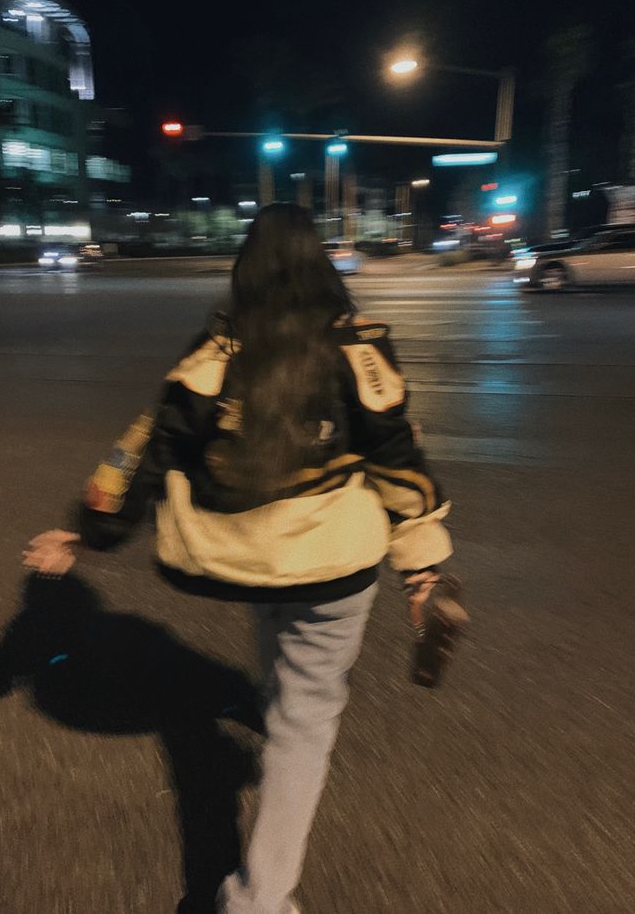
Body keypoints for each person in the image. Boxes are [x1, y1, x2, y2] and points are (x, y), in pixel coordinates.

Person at [23, 203, 453, 914]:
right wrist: (421, 565)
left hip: (243, 560)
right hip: (334, 563)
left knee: (275, 638)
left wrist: (86, 534)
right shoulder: (359, 350)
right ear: (322, 263)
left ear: (244, 269)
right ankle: (260, 898)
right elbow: (399, 461)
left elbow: (149, 448)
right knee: (306, 721)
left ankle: (272, 707)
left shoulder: (214, 354)